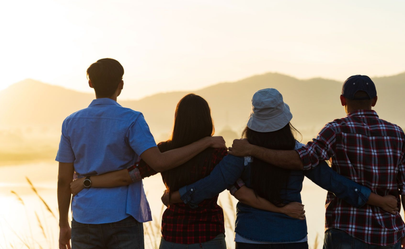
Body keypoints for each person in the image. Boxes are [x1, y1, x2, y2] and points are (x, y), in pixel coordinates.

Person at [163, 88, 397, 249]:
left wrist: (175, 196)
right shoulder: (299, 153)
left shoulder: (241, 154)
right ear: (285, 121)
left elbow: (208, 186)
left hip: (250, 237)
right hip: (291, 237)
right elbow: (335, 183)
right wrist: (374, 198)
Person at [69, 93, 303, 249]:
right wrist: (282, 209)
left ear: (178, 119)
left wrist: (87, 181)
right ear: (207, 119)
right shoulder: (218, 155)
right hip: (209, 236)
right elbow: (241, 193)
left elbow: (126, 176)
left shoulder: (162, 153)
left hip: (173, 236)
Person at [229, 76, 405, 248]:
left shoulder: (336, 130)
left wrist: (249, 150)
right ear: (375, 101)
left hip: (343, 230)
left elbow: (304, 160)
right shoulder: (397, 134)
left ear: (343, 100)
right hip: (385, 235)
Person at [56, 59, 225, 249]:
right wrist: (207, 141)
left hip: (84, 217)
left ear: (90, 83)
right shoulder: (132, 119)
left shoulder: (70, 123)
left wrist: (63, 224)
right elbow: (158, 162)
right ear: (121, 85)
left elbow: (64, 180)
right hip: (123, 216)